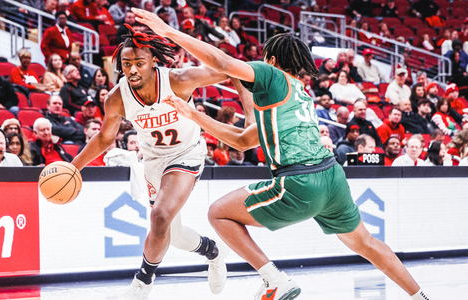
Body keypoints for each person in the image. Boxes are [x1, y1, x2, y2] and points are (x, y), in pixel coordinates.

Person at [133, 8, 435, 300]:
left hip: (300, 181)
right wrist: (194, 115)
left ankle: (275, 279)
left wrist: (168, 31)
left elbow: (222, 62)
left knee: (218, 213)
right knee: (366, 243)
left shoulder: (271, 74)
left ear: (272, 60)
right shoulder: (299, 92)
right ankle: (419, 296)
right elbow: (243, 140)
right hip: (332, 179)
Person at [70, 23, 232, 299]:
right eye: (126, 63)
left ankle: (142, 281)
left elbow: (231, 70)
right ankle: (214, 252)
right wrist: (73, 168)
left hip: (187, 153)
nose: (132, 69)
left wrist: (250, 110)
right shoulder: (117, 98)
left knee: (159, 217)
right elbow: (104, 138)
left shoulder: (179, 80)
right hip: (154, 161)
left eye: (139, 63)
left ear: (153, 61)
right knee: (172, 235)